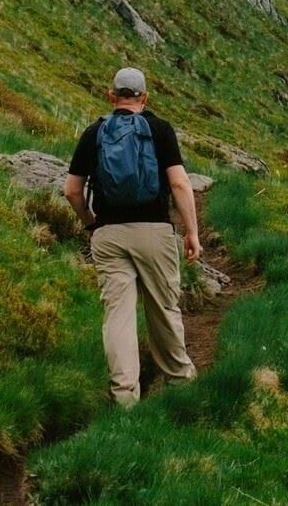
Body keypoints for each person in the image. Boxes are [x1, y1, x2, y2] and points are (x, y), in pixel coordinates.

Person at [64, 67, 200, 407]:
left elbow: (72, 191)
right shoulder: (160, 130)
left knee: (118, 315)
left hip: (108, 235)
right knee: (163, 308)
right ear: (145, 97)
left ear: (111, 97)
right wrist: (192, 232)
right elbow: (181, 183)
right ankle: (181, 384)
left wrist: (91, 223)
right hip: (154, 231)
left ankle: (125, 398)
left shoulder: (95, 132)